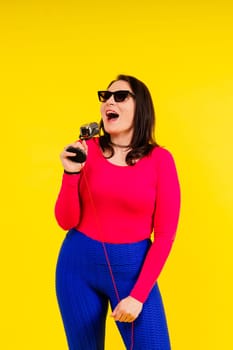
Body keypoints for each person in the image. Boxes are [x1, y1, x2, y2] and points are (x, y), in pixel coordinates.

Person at [54, 74, 181, 350]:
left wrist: (137, 296)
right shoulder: (85, 151)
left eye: (120, 96)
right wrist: (70, 173)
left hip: (132, 272)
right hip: (76, 270)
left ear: (141, 107)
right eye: (106, 96)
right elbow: (66, 221)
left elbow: (165, 236)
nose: (109, 101)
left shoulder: (160, 160)